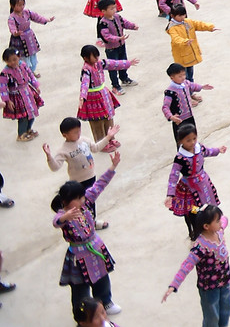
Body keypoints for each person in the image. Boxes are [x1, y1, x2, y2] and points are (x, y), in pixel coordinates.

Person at [52, 151, 122, 319]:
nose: (82, 200)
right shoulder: (63, 213)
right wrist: (64, 217)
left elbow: (99, 185)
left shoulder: (86, 202)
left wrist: (113, 166)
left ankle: (106, 301)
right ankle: (82, 315)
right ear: (66, 201)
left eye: (82, 197)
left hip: (95, 247)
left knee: (102, 277)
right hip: (78, 255)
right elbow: (56, 222)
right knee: (80, 287)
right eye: (78, 198)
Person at [160, 205, 230, 327]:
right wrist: (174, 285)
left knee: (226, 311)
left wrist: (214, 213)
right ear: (206, 226)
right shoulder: (200, 247)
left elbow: (225, 220)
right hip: (210, 289)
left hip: (225, 283)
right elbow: (186, 266)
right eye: (217, 220)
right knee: (212, 319)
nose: (221, 221)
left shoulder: (219, 232)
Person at [45, 117, 117, 200]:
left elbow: (95, 148)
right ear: (65, 135)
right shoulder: (63, 150)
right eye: (75, 132)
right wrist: (49, 156)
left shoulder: (84, 140)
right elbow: (55, 167)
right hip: (78, 182)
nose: (78, 133)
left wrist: (108, 137)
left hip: (91, 177)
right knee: (82, 203)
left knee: (91, 201)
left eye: (79, 130)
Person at [77, 43, 133, 145]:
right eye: (94, 56)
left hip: (103, 94)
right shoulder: (86, 70)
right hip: (92, 98)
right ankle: (101, 143)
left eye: (97, 55)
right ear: (85, 58)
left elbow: (113, 64)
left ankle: (111, 138)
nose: (97, 58)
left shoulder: (99, 63)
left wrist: (128, 63)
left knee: (109, 117)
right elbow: (84, 84)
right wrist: (82, 97)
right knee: (97, 121)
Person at [2, 48, 42, 140]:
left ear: (19, 57)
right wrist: (7, 100)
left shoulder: (23, 65)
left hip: (28, 92)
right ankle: (21, 134)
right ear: (5, 61)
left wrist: (36, 86)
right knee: (23, 116)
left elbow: (30, 75)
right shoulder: (5, 73)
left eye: (14, 59)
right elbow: (3, 88)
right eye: (9, 61)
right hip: (16, 96)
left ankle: (28, 129)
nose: (12, 62)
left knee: (32, 111)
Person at [162, 63, 206, 143]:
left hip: (190, 117)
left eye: (184, 74)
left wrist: (202, 87)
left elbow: (193, 86)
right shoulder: (170, 92)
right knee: (182, 142)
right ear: (172, 78)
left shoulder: (185, 83)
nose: (183, 77)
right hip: (179, 121)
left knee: (193, 138)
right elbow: (165, 107)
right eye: (180, 76)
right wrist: (171, 117)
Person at [8, 0, 51, 72]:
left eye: (23, 4)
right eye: (19, 5)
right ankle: (25, 73)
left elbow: (36, 17)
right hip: (19, 40)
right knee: (24, 59)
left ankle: (31, 72)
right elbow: (12, 27)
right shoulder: (12, 17)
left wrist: (46, 20)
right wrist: (15, 33)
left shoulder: (27, 12)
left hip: (29, 37)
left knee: (33, 57)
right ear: (12, 5)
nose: (22, 7)